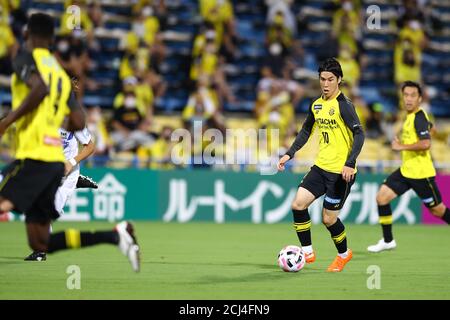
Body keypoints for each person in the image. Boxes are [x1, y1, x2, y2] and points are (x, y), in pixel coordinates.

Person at [0, 13, 140, 272]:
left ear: (26, 35)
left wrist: (7, 122)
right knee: (41, 241)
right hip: (53, 163)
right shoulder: (63, 78)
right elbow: (77, 119)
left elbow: (39, 89)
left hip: (36, 156)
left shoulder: (25, 58)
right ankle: (115, 236)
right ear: (52, 39)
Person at [277, 58, 365, 272]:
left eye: (330, 79)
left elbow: (359, 133)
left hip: (340, 173)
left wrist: (349, 163)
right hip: (321, 167)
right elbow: (306, 131)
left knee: (328, 219)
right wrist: (289, 153)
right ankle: (307, 251)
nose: (325, 84)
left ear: (339, 80)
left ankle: (344, 254)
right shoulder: (316, 105)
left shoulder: (344, 106)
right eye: (322, 79)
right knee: (298, 204)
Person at [368, 81, 450, 253]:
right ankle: (388, 240)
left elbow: (426, 143)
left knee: (438, 211)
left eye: (413, 95)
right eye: (406, 95)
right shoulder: (412, 117)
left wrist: (401, 147)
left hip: (421, 174)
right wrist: (431, 129)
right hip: (406, 171)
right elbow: (430, 130)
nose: (409, 99)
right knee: (382, 198)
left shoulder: (418, 116)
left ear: (419, 99)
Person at [23, 126, 96, 261]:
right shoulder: (44, 118)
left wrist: (71, 162)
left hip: (67, 174)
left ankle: (40, 251)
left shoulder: (73, 119)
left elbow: (90, 147)